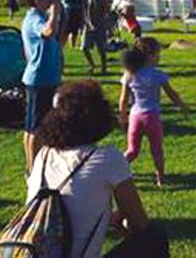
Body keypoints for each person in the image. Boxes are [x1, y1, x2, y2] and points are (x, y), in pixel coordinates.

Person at [28, 80, 169, 258]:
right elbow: (140, 224)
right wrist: (122, 222)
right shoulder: (107, 158)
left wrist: (104, 218)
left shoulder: (44, 155)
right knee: (154, 235)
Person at [119, 43, 188, 188]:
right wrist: (182, 106)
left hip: (135, 116)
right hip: (152, 117)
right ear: (150, 55)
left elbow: (124, 99)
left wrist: (122, 115)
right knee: (157, 150)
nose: (159, 57)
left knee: (132, 150)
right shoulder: (157, 74)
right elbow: (171, 93)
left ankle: (116, 171)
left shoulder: (129, 74)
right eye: (158, 54)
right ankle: (160, 179)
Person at [21, 0, 64, 173]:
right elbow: (48, 31)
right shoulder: (34, 19)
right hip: (40, 80)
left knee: (32, 127)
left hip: (44, 79)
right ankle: (32, 172)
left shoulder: (38, 16)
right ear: (37, 0)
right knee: (35, 130)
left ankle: (32, 169)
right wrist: (55, 11)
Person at [82, 0, 109, 75]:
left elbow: (106, 12)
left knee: (101, 49)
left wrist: (106, 25)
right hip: (88, 26)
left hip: (99, 27)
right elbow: (84, 12)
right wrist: (85, 23)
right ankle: (92, 65)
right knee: (84, 48)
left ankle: (104, 68)